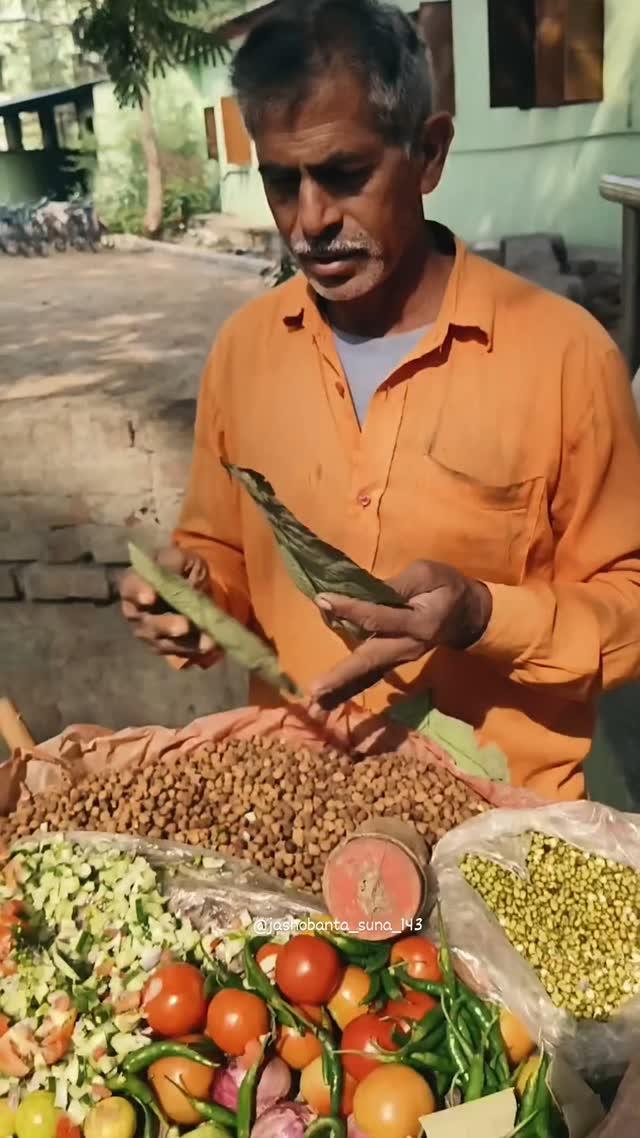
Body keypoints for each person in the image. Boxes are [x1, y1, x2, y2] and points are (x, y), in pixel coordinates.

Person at [120, 0, 640, 801]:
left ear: (428, 153)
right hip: (298, 811)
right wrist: (189, 599)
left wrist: (483, 617)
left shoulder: (564, 359)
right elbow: (217, 551)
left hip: (502, 830)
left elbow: (628, 605)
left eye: (344, 174)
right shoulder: (245, 355)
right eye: (282, 182)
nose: (311, 220)